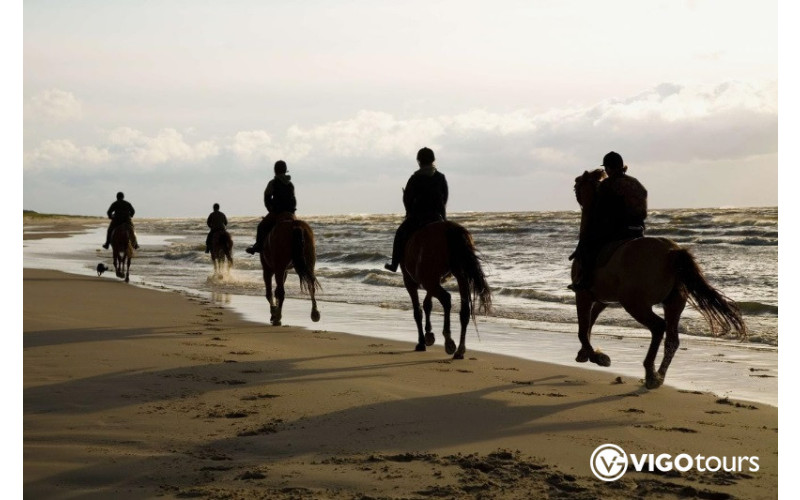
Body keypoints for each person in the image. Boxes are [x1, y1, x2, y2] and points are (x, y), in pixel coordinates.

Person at [570, 151, 647, 290]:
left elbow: (598, 211)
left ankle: (584, 280)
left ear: (609, 168)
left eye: (606, 168)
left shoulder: (607, 184)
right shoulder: (635, 182)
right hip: (639, 229)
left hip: (618, 230)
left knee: (586, 246)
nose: (606, 171)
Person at [384, 147, 449, 272]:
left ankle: (394, 265)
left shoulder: (414, 178)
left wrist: (409, 212)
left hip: (418, 218)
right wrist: (442, 216)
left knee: (400, 234)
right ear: (433, 160)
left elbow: (407, 200)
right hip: (437, 217)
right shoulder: (440, 177)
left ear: (419, 161)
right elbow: (444, 198)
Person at [246, 160, 297, 254]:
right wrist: (292, 212)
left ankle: (258, 246)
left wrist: (270, 209)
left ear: (275, 170)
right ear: (285, 170)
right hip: (290, 213)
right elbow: (293, 200)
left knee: (261, 227)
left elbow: (267, 198)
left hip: (278, 212)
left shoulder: (273, 183)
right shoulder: (290, 184)